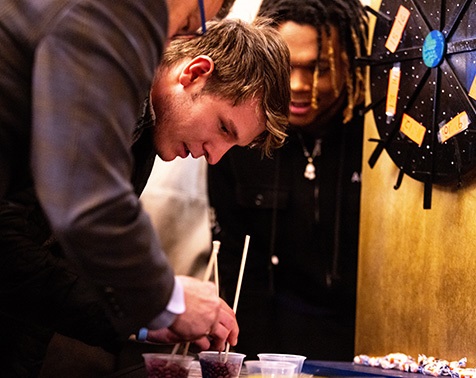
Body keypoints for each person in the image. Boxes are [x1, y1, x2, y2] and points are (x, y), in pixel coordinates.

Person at [0, 1, 291, 375]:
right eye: (223, 128)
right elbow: (24, 233)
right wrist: (164, 299)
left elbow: (57, 267)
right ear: (195, 73)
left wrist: (148, 320)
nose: (215, 158)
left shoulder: (149, 129)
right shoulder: (100, 50)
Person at [208, 0, 368, 361]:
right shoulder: (238, 134)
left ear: (350, 63)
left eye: (320, 68)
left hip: (361, 348)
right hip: (264, 349)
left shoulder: (375, 140)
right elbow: (232, 263)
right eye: (286, 67)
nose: (298, 85)